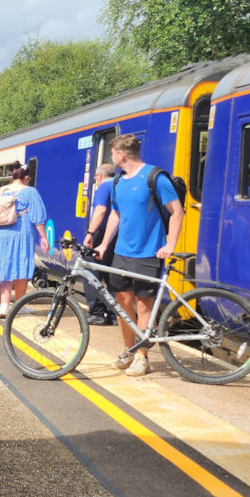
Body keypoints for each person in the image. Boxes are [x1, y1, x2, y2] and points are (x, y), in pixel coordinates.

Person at [95, 135, 183, 377]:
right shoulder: (118, 182)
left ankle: (142, 357)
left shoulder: (155, 178)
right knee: (122, 305)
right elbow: (116, 215)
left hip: (148, 253)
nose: (112, 158)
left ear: (121, 155)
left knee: (144, 306)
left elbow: (177, 212)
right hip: (122, 253)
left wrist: (170, 243)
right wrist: (104, 244)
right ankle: (128, 349)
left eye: (112, 154)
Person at [0, 165, 48, 318]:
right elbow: (37, 217)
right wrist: (44, 237)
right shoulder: (30, 192)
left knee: (5, 269)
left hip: (0, 235)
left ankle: (4, 307)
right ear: (26, 177)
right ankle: (19, 306)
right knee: (21, 268)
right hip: (21, 235)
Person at [81, 164, 118, 326]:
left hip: (102, 233)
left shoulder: (104, 187)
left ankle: (97, 313)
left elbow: (100, 211)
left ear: (99, 176)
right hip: (117, 235)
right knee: (112, 274)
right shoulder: (120, 184)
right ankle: (115, 314)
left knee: (90, 271)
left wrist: (90, 232)